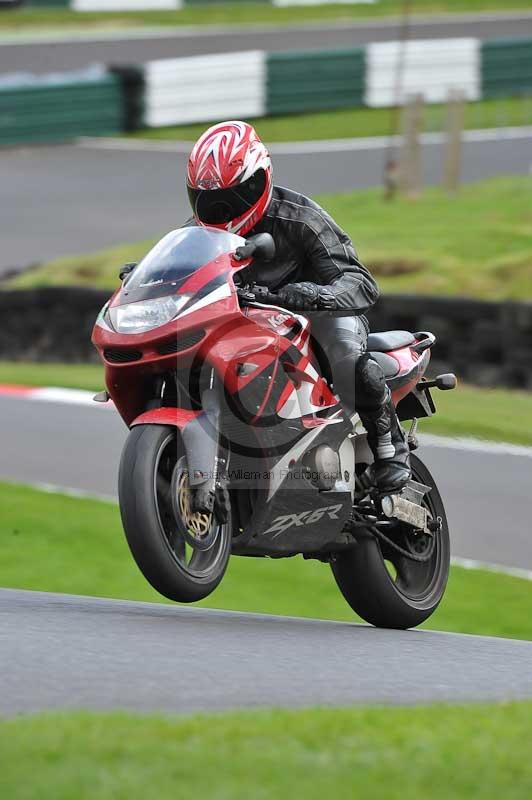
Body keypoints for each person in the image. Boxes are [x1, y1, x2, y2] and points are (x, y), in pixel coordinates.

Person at [186, 120, 411, 494]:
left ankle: (390, 450)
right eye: (210, 201)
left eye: (237, 196)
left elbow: (360, 282)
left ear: (261, 179)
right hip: (250, 328)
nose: (223, 211)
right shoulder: (196, 236)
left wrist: (316, 295)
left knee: (344, 357)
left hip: (319, 318)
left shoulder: (301, 218)